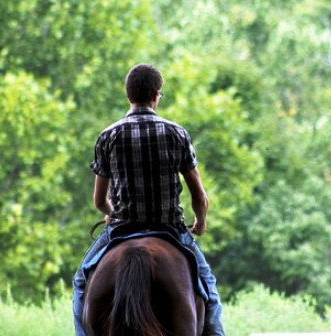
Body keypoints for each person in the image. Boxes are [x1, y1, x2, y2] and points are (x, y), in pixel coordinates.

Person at [73, 63, 225, 335]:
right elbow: (199, 196)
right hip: (169, 230)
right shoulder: (176, 133)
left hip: (122, 229)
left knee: (81, 283)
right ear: (157, 95)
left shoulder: (108, 136)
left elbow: (99, 201)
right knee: (208, 288)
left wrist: (110, 212)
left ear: (128, 95)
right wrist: (200, 223)